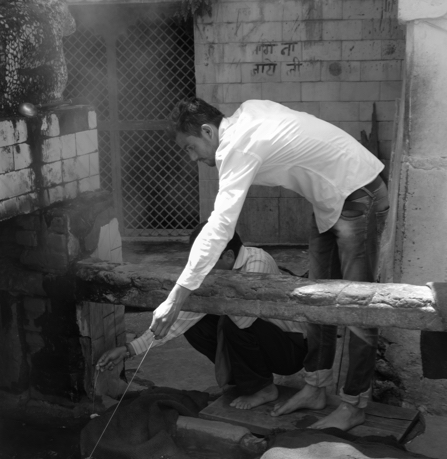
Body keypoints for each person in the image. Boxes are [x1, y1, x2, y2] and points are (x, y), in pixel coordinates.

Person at [149, 98, 389, 432]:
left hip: (359, 193)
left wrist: (175, 298)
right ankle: (316, 387)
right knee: (318, 300)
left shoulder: (237, 146)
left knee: (357, 305)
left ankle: (353, 404)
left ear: (207, 131)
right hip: (328, 199)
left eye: (191, 147)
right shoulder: (247, 113)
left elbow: (220, 227)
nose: (194, 158)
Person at [97, 225, 307, 405]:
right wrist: (129, 349)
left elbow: (244, 319)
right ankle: (240, 383)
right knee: (195, 324)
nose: (200, 266)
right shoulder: (215, 272)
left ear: (228, 256)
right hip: (259, 340)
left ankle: (264, 389)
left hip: (289, 349)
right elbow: (176, 322)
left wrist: (205, 288)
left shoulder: (257, 263)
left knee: (233, 321)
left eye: (205, 259)